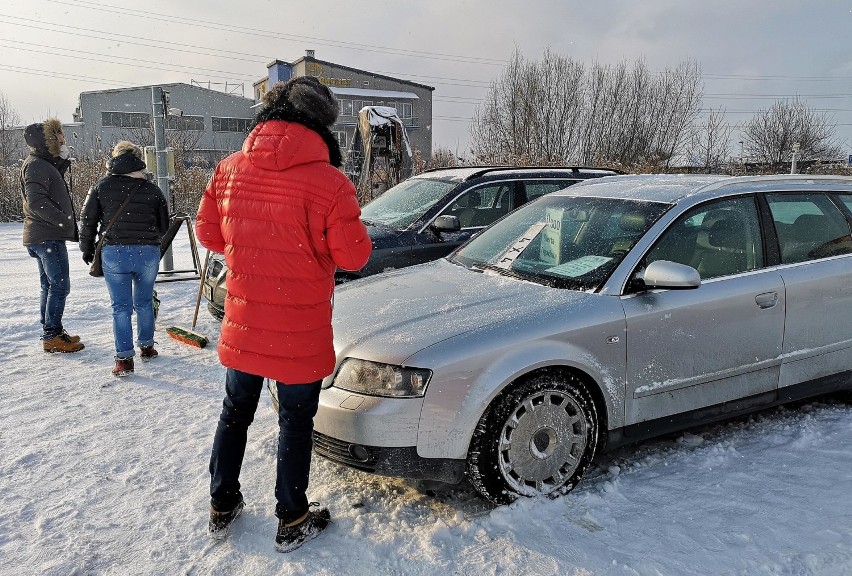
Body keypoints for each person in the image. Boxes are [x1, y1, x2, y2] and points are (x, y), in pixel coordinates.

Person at [196, 76, 371, 552]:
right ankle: (291, 518)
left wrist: (253, 241)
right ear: (322, 124)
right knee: (295, 422)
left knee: (235, 413)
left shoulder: (229, 168)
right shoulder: (331, 182)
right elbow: (354, 256)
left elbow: (209, 234)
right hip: (298, 328)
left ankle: (222, 500)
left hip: (246, 322)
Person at [79, 141, 169, 377]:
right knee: (144, 302)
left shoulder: (101, 186)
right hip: (147, 252)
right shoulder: (152, 189)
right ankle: (147, 346)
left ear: (115, 159)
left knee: (121, 307)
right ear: (139, 161)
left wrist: (87, 249)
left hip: (115, 252)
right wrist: (147, 239)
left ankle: (124, 359)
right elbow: (164, 225)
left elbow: (87, 222)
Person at [21, 118, 85, 353]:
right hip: (46, 235)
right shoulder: (37, 165)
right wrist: (63, 219)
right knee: (59, 286)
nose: (63, 138)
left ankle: (53, 331)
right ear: (47, 140)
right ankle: (52, 335)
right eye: (58, 134)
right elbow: (37, 201)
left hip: (42, 234)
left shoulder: (41, 163)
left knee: (49, 286)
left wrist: (59, 162)